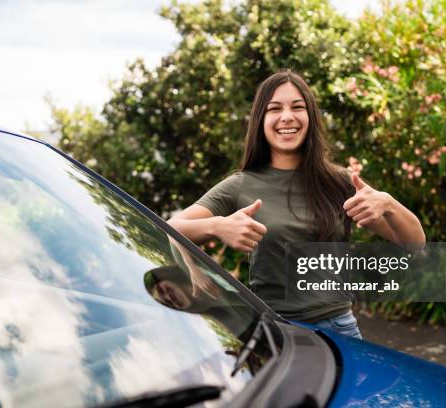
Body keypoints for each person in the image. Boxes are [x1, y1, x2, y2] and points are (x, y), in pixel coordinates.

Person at [168, 71, 426, 339]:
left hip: (339, 330)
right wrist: (217, 226)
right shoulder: (241, 185)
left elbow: (414, 241)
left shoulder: (340, 183)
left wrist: (387, 203)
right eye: (274, 109)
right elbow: (170, 227)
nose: (287, 117)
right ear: (261, 121)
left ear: (310, 118)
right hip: (274, 331)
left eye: (298, 107)